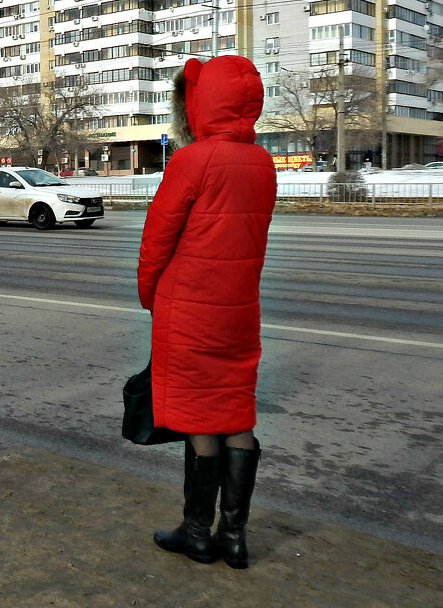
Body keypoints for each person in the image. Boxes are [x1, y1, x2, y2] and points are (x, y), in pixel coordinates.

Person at [136, 55, 277, 569]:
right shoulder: (261, 163)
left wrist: (151, 295)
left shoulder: (192, 162)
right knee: (235, 412)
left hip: (189, 308)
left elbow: (157, 240)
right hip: (239, 309)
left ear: (199, 105)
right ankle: (234, 537)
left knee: (200, 415)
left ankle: (196, 532)